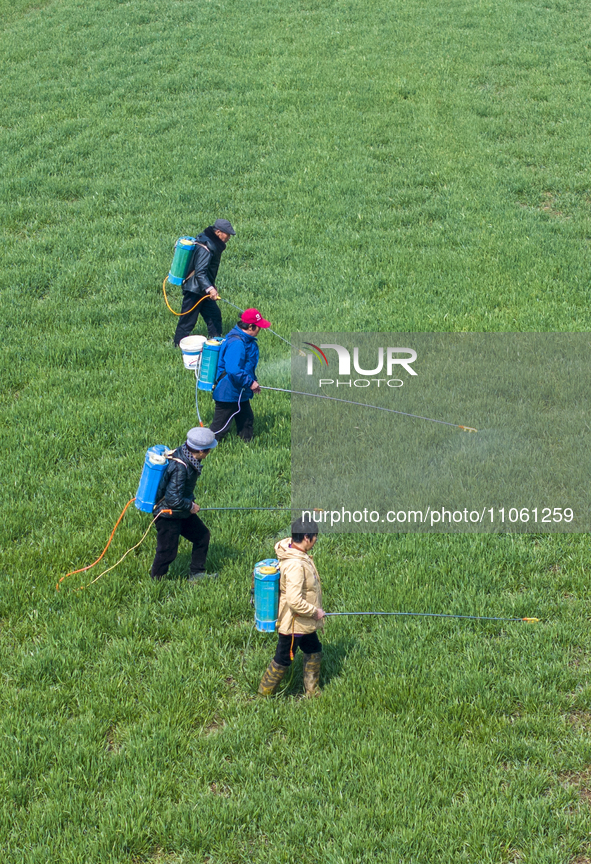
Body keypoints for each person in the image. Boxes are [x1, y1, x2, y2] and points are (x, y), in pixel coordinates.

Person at [258, 518, 326, 697]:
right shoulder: (296, 565)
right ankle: (264, 693)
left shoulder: (293, 550)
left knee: (314, 649)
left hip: (303, 622)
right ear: (306, 537)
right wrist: (315, 612)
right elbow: (294, 600)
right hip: (294, 623)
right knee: (283, 658)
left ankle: (312, 691)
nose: (316, 540)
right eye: (314, 537)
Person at [150, 427, 218, 581]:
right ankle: (156, 580)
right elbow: (173, 499)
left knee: (202, 536)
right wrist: (190, 506)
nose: (209, 453)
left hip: (180, 511)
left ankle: (196, 574)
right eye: (208, 451)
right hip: (167, 514)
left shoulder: (187, 454)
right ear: (201, 452)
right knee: (167, 551)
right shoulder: (181, 468)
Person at [209, 308, 270, 443]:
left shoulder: (245, 340)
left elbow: (245, 367)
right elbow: (233, 370)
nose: (260, 329)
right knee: (219, 428)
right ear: (250, 326)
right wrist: (250, 383)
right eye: (258, 327)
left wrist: (251, 382)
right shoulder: (237, 343)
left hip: (239, 391)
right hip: (228, 392)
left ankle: (247, 444)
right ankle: (201, 448)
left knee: (246, 419)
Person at [173, 218, 236, 346]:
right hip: (194, 290)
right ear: (218, 232)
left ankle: (216, 343)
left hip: (202, 289)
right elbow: (200, 273)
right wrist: (210, 289)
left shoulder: (211, 244)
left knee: (214, 315)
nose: (229, 237)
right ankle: (178, 345)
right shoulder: (206, 248)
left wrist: (209, 288)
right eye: (227, 234)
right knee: (187, 321)